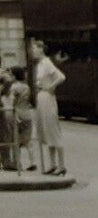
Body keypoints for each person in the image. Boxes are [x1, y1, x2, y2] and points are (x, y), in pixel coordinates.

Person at [30, 40, 65, 176]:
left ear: (40, 49)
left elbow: (61, 76)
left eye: (34, 49)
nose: (32, 51)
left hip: (47, 96)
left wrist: (51, 86)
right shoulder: (40, 64)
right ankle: (53, 164)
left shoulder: (46, 62)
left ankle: (61, 165)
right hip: (42, 96)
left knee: (52, 130)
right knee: (45, 131)